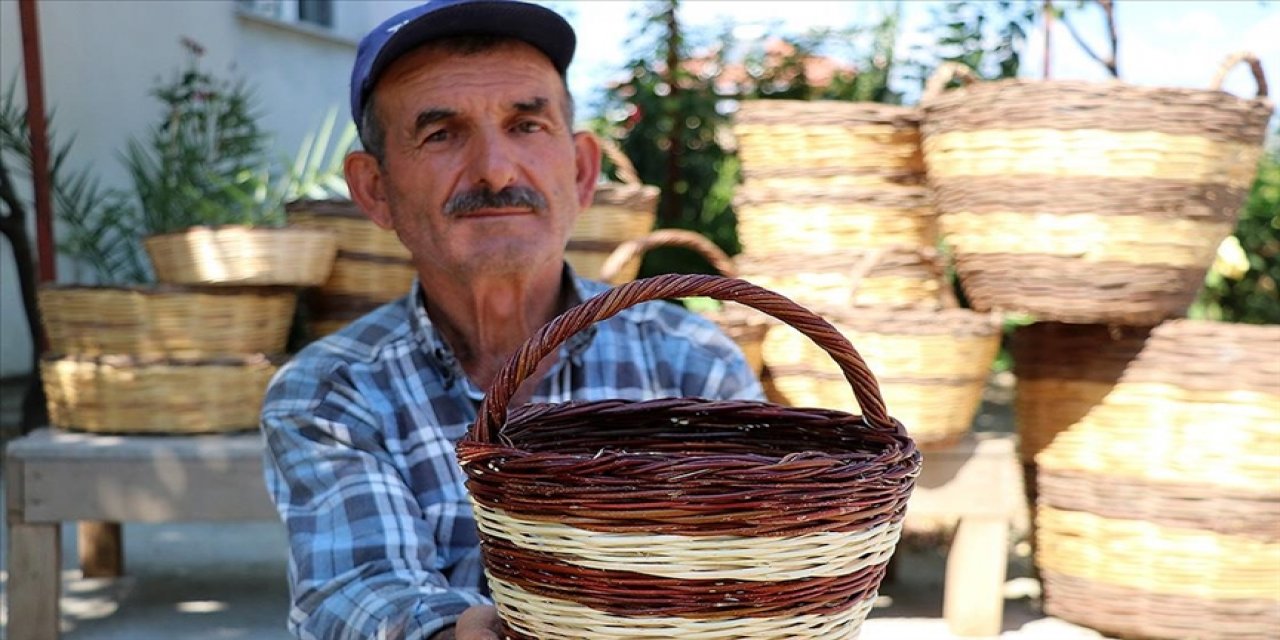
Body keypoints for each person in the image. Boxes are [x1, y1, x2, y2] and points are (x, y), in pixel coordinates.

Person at [259, 1, 764, 638]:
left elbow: (746, 578)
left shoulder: (692, 365)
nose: (495, 171)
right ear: (374, 190)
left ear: (581, 171)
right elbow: (358, 593)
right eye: (441, 134)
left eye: (526, 125)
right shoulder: (333, 392)